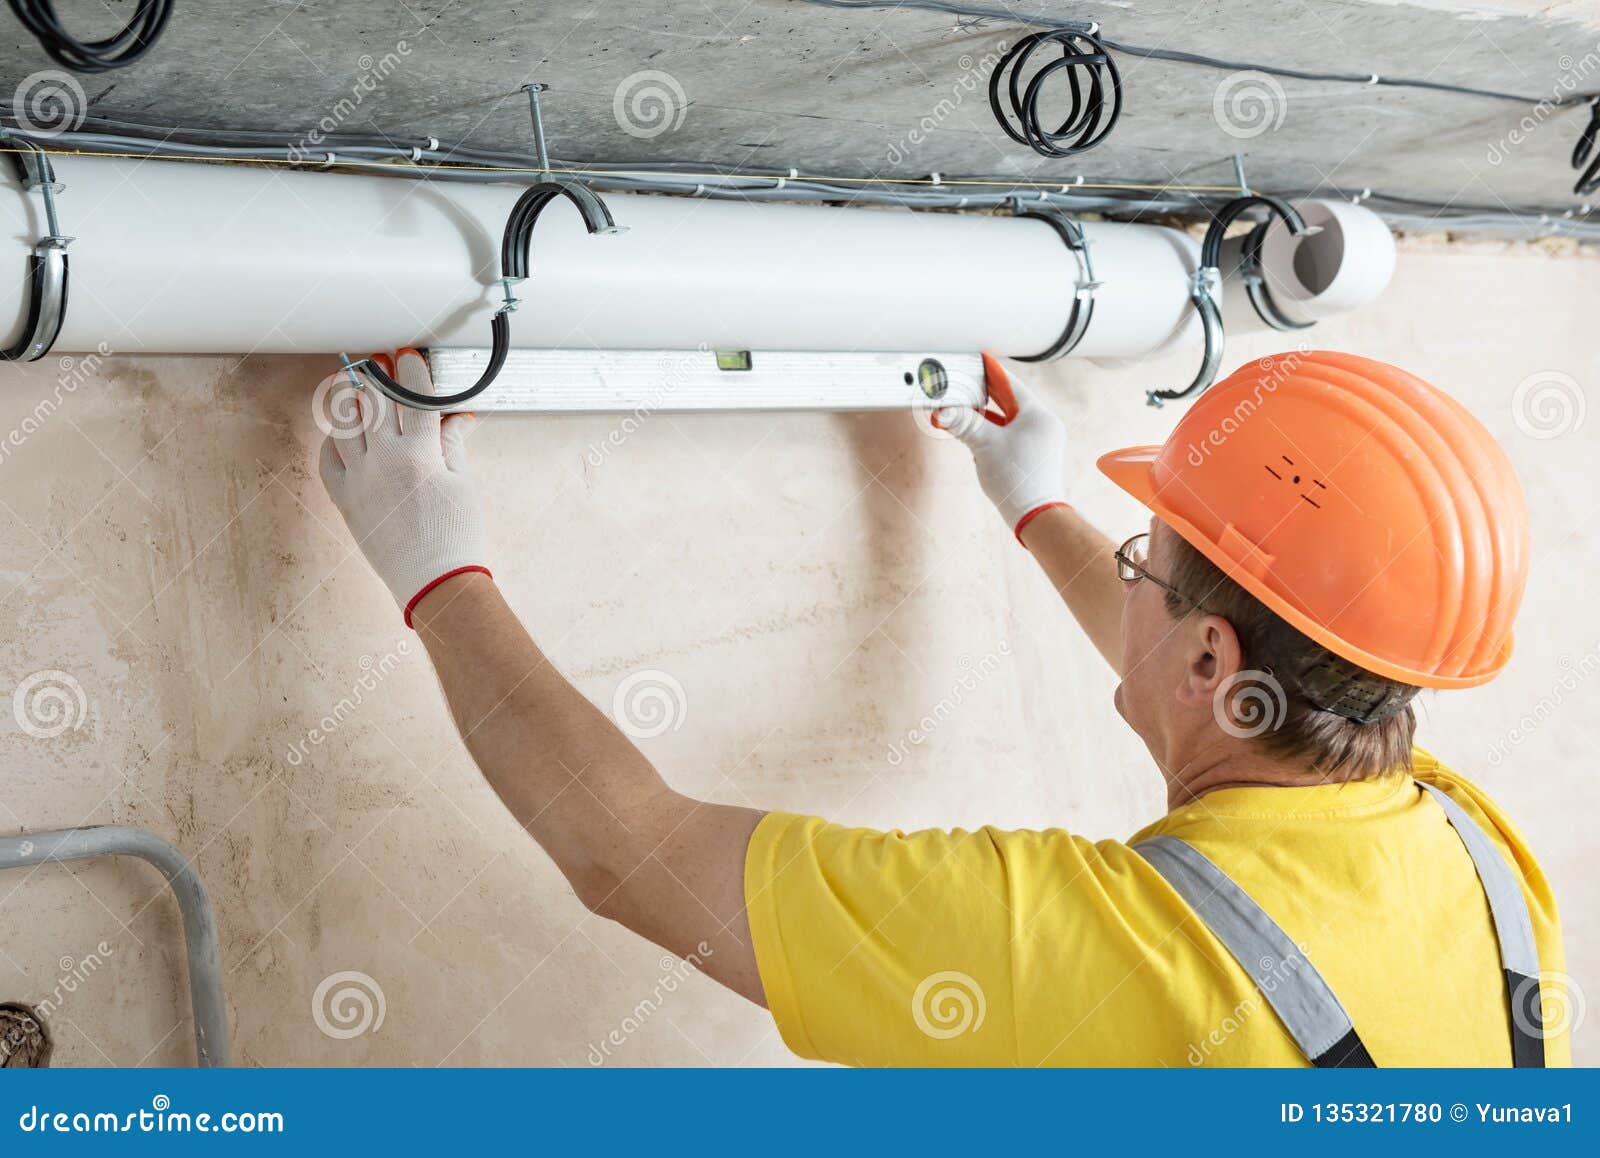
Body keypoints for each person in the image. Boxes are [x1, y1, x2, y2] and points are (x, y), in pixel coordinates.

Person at [318, 347, 1567, 1066]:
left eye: (1145, 566)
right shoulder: (1470, 849)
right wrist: (1035, 504)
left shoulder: (1093, 952)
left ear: (1206, 662)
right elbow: (1215, 677)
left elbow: (624, 849)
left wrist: (432, 562)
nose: (1127, 577)